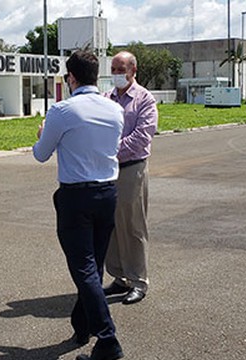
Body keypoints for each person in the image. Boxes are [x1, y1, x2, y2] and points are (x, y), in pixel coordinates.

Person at [33, 50, 125, 360]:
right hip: (107, 192)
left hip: (76, 196)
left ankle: (107, 336)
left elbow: (41, 154)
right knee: (93, 265)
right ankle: (82, 324)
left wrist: (43, 133)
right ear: (95, 75)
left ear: (70, 78)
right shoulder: (114, 109)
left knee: (83, 267)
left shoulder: (62, 110)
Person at [103, 51, 159, 305]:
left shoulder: (144, 99)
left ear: (133, 70)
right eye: (113, 69)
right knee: (112, 226)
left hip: (131, 169)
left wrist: (109, 150)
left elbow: (141, 138)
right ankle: (119, 276)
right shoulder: (107, 98)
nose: (116, 74)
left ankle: (138, 281)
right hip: (108, 171)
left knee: (133, 226)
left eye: (121, 69)